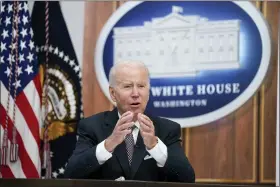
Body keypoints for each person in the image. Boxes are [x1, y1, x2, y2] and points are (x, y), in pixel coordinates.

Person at [64, 60, 195, 182]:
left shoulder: (167, 129)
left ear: (148, 92)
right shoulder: (91, 127)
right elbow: (72, 173)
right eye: (127, 86)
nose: (135, 93)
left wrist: (154, 147)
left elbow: (187, 178)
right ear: (113, 93)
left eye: (141, 86)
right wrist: (109, 144)